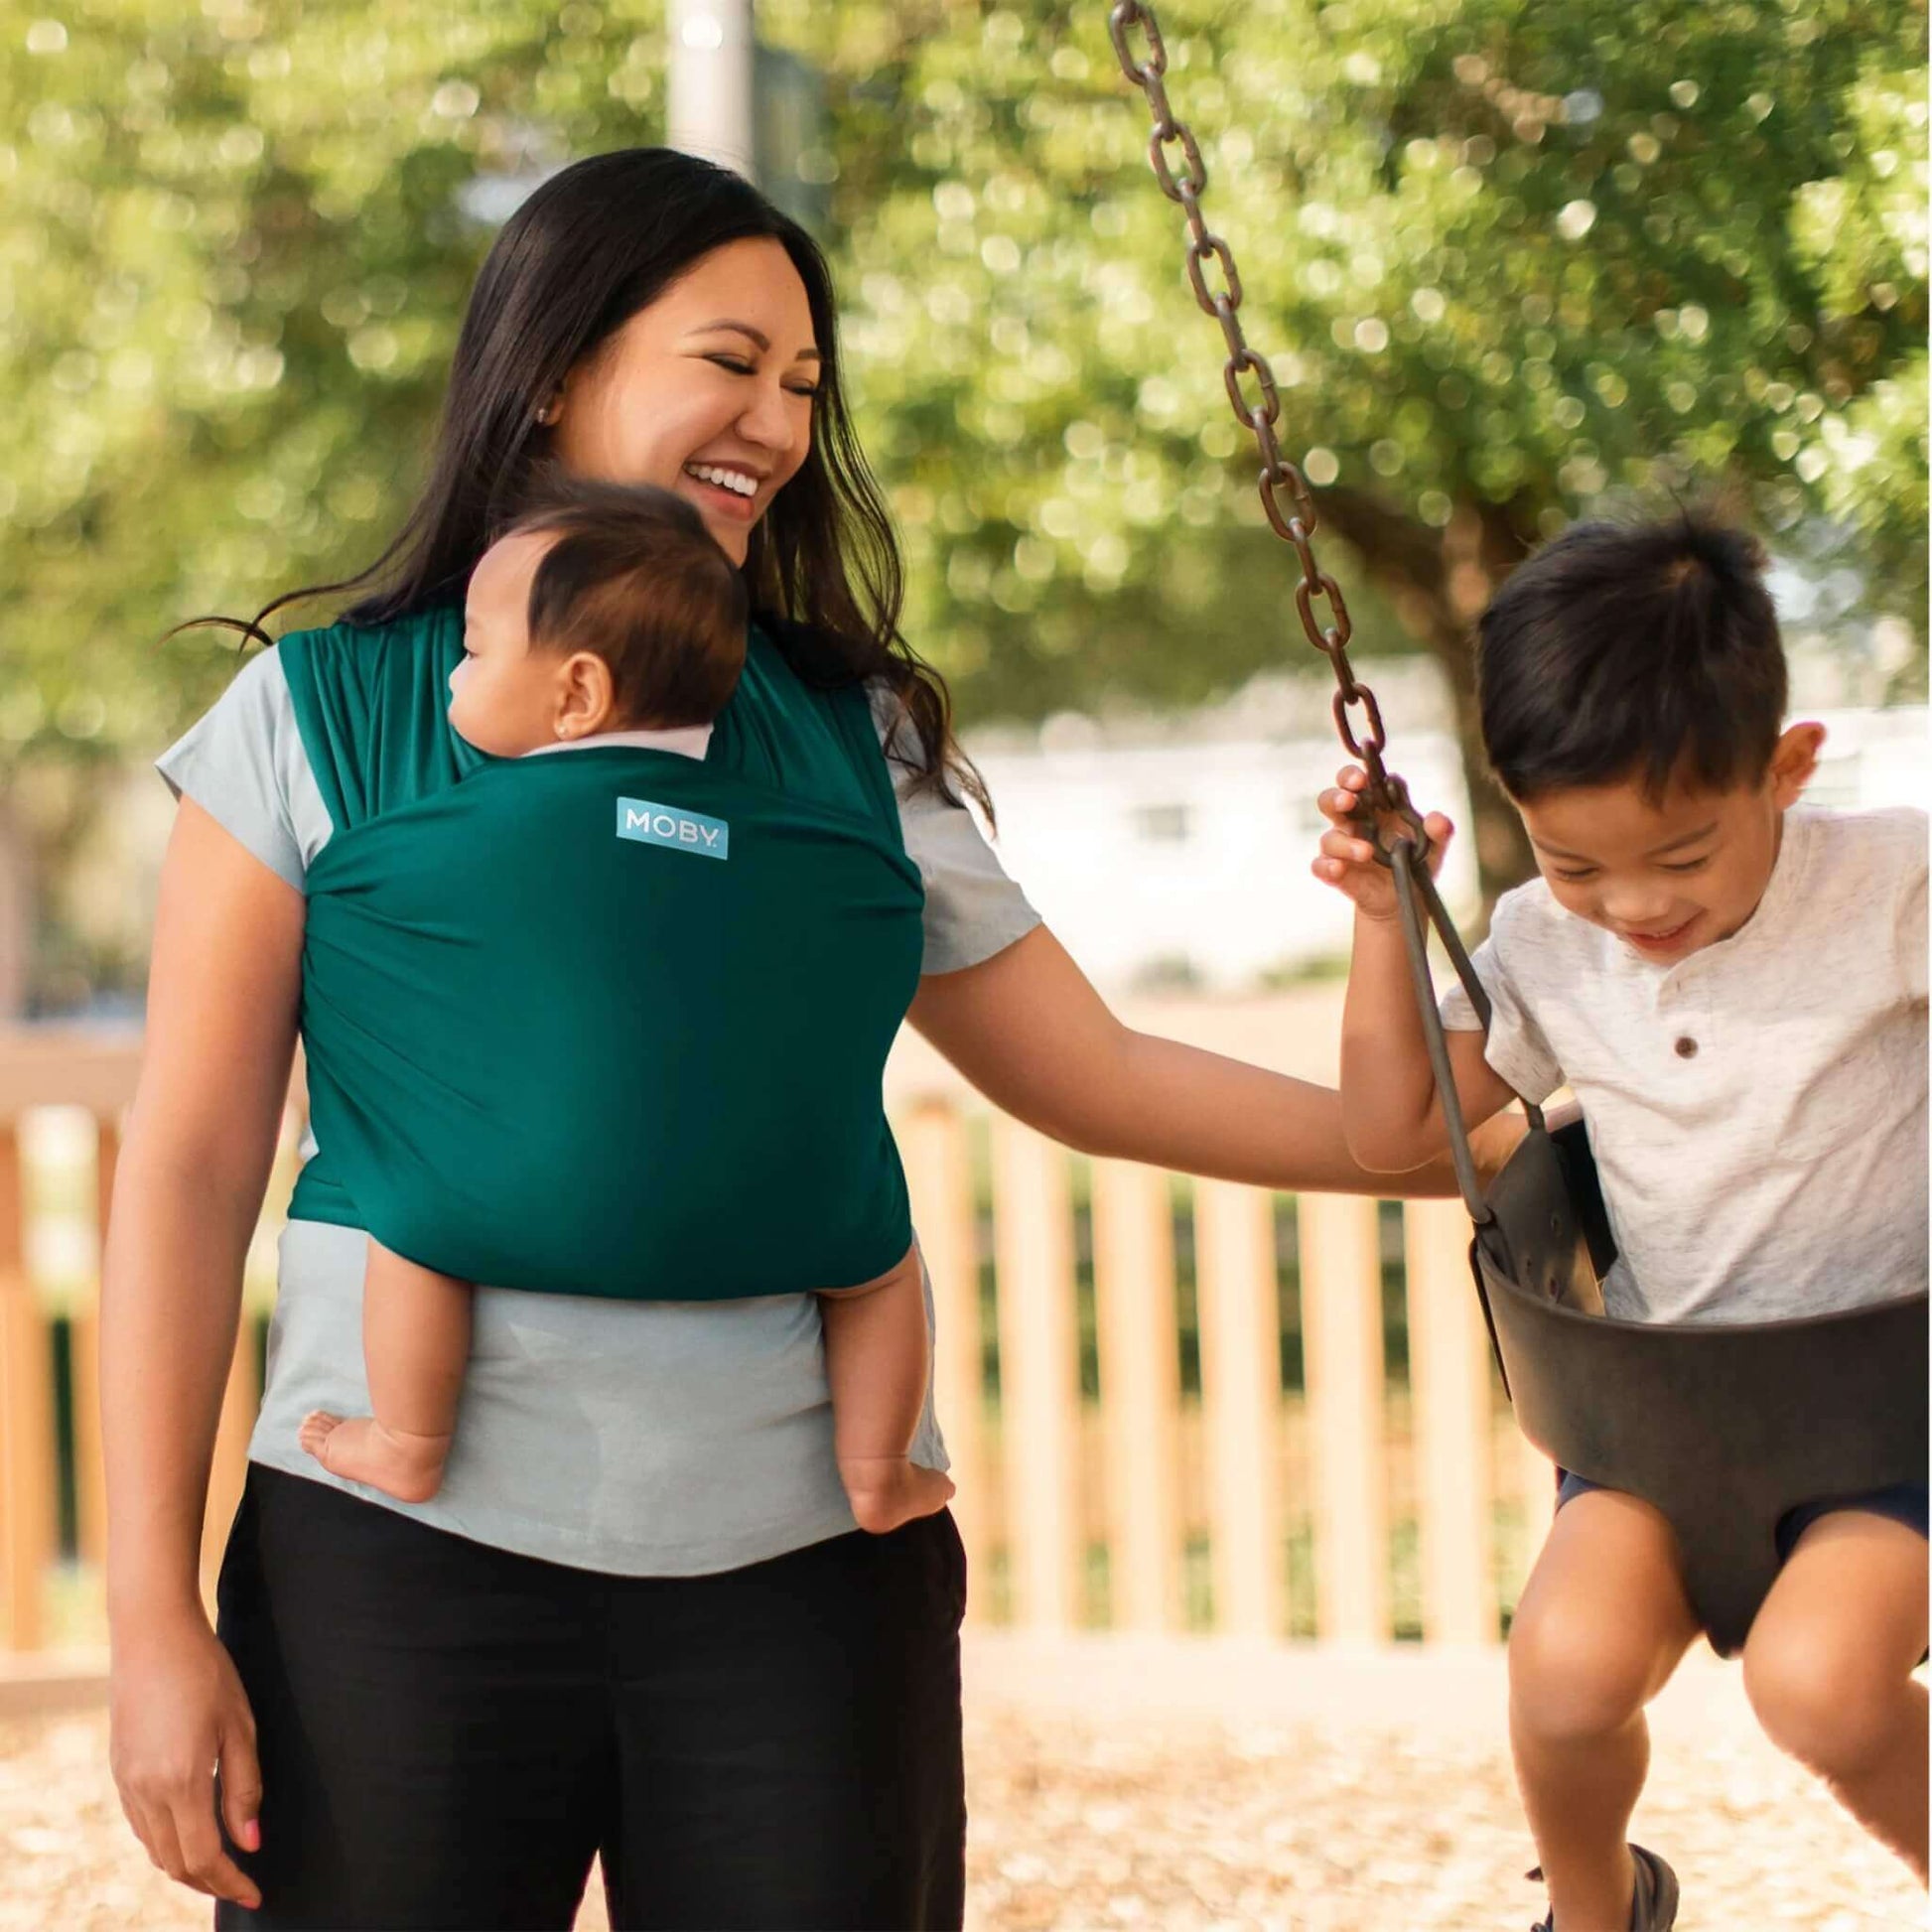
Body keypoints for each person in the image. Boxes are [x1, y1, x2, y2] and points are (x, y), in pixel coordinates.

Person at [106, 146, 1508, 1932]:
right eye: (729, 358)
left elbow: (1099, 1075)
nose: (776, 416)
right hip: (392, 1581)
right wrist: (152, 1613)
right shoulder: (321, 714)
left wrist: (1482, 1129)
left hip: (801, 1584)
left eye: (804, 381)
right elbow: (194, 1160)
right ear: (552, 370)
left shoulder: (851, 743)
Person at [1313, 512, 1928, 1931]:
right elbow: (1393, 1132)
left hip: (1896, 1409)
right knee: (1562, 1674)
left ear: (1785, 766)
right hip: (1664, 1418)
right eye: (1576, 863)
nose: (1632, 905)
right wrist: (1378, 916)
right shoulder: (1538, 942)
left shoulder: (1890, 882)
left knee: (1818, 1684)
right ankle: (1596, 1910)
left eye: (1680, 853)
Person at [296, 480, 953, 1537]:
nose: (452, 674)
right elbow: (877, 916)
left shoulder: (449, 827)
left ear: (576, 693)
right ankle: (879, 1468)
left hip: (502, 1203)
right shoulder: (800, 838)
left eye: (471, 650)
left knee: (409, 1217)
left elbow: (360, 899)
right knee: (880, 1269)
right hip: (789, 1208)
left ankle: (407, 1442)